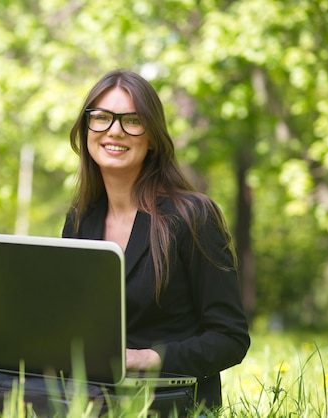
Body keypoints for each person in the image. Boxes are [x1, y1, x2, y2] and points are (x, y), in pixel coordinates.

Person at [61, 69, 250, 409]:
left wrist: (145, 358)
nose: (114, 130)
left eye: (132, 120)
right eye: (101, 118)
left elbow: (230, 339)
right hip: (92, 400)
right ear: (87, 128)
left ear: (152, 137)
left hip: (173, 404)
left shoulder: (192, 216)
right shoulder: (80, 219)